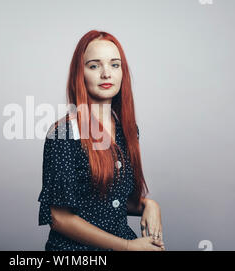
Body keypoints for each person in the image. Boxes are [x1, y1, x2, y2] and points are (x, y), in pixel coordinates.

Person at [38, 30, 165, 251]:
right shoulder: (64, 133)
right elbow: (60, 218)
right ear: (80, 73)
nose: (106, 73)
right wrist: (127, 246)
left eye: (115, 65)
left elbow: (108, 203)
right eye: (94, 66)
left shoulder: (128, 130)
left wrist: (148, 205)